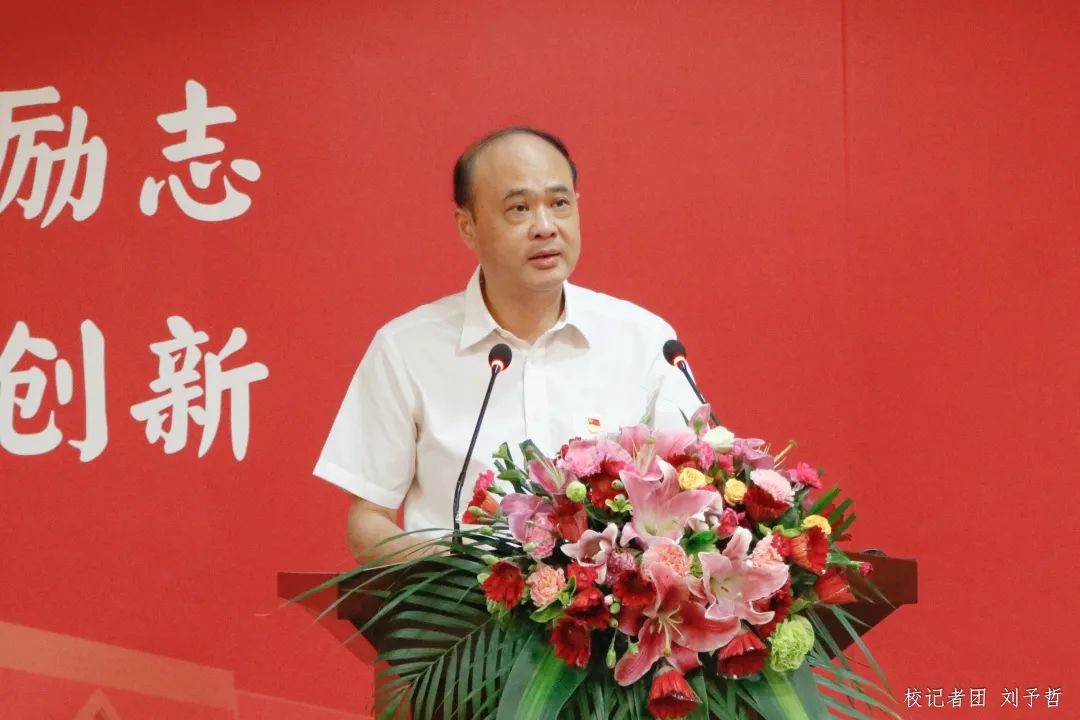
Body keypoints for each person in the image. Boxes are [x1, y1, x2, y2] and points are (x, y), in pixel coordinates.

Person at [313, 127, 701, 562]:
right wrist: (459, 577)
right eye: (519, 208)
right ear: (468, 227)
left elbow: (697, 487)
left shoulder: (645, 340)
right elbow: (368, 522)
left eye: (559, 203)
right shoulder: (406, 350)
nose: (545, 227)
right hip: (466, 604)